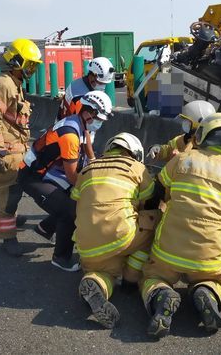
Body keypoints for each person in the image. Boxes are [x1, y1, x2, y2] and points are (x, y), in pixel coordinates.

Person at [140, 113, 221, 338]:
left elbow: (156, 194)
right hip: (208, 255)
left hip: (169, 250)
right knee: (213, 278)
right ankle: (207, 291)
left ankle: (162, 294)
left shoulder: (182, 159)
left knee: (152, 276)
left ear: (202, 135)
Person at [18, 90, 113, 271]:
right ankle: (61, 258)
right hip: (32, 176)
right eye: (100, 118)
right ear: (90, 112)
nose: (100, 122)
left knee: (70, 198)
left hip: (46, 172)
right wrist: (90, 193)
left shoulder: (81, 124)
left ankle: (45, 228)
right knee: (70, 210)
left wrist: (94, 164)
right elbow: (72, 176)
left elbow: (88, 148)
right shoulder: (70, 134)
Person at [73, 132, 158, 328]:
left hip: (85, 244)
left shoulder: (88, 168)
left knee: (104, 271)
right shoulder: (136, 167)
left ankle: (96, 283)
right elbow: (150, 201)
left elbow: (77, 201)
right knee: (155, 220)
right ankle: (130, 279)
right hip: (119, 234)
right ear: (134, 152)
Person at [0, 39, 42, 257]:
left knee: (16, 189)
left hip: (15, 149)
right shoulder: (4, 84)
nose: (32, 70)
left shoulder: (14, 83)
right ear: (16, 62)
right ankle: (7, 238)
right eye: (30, 65)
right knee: (6, 195)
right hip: (5, 151)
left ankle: (12, 219)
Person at [146, 100, 215, 162]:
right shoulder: (184, 139)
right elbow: (170, 149)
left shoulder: (210, 149)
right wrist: (159, 150)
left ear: (199, 124)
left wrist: (180, 157)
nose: (184, 124)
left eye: (188, 122)